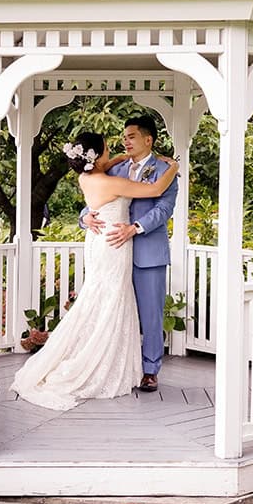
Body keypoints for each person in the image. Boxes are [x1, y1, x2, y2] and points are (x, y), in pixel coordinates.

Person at [10, 132, 179, 411]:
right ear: (96, 156)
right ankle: (98, 362)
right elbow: (154, 191)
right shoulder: (112, 179)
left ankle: (133, 366)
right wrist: (173, 167)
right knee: (109, 301)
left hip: (103, 244)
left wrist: (125, 157)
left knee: (104, 301)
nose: (116, 150)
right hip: (114, 245)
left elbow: (152, 201)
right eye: (108, 148)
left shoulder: (87, 176)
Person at [81, 116, 178, 393]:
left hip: (148, 251)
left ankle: (150, 370)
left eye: (132, 136)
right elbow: (95, 198)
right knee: (113, 310)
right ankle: (115, 365)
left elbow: (164, 209)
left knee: (150, 314)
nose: (126, 141)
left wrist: (135, 228)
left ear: (149, 140)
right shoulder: (116, 169)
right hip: (114, 252)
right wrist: (84, 218)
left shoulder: (166, 170)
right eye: (124, 136)